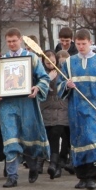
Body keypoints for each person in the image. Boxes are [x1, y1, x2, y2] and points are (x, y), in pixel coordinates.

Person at [57, 30, 96, 190]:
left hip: (94, 109)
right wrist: (66, 85)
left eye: (83, 44)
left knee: (92, 141)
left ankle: (92, 177)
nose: (81, 47)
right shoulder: (69, 63)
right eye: (78, 44)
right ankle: (81, 176)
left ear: (90, 43)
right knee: (78, 142)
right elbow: (60, 84)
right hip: (76, 110)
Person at [0, 28, 50, 187]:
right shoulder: (2, 61)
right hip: (7, 105)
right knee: (10, 139)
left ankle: (33, 166)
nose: (11, 44)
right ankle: (12, 176)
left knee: (28, 136)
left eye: (14, 41)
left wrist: (37, 88)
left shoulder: (32, 58)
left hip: (27, 104)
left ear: (20, 40)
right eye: (9, 41)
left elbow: (44, 78)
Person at [40, 50, 70, 178]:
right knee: (49, 136)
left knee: (56, 133)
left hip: (61, 108)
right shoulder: (41, 73)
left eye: (52, 62)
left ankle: (55, 163)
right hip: (46, 108)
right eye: (48, 63)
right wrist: (48, 79)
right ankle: (52, 163)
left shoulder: (62, 72)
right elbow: (39, 89)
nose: (51, 65)